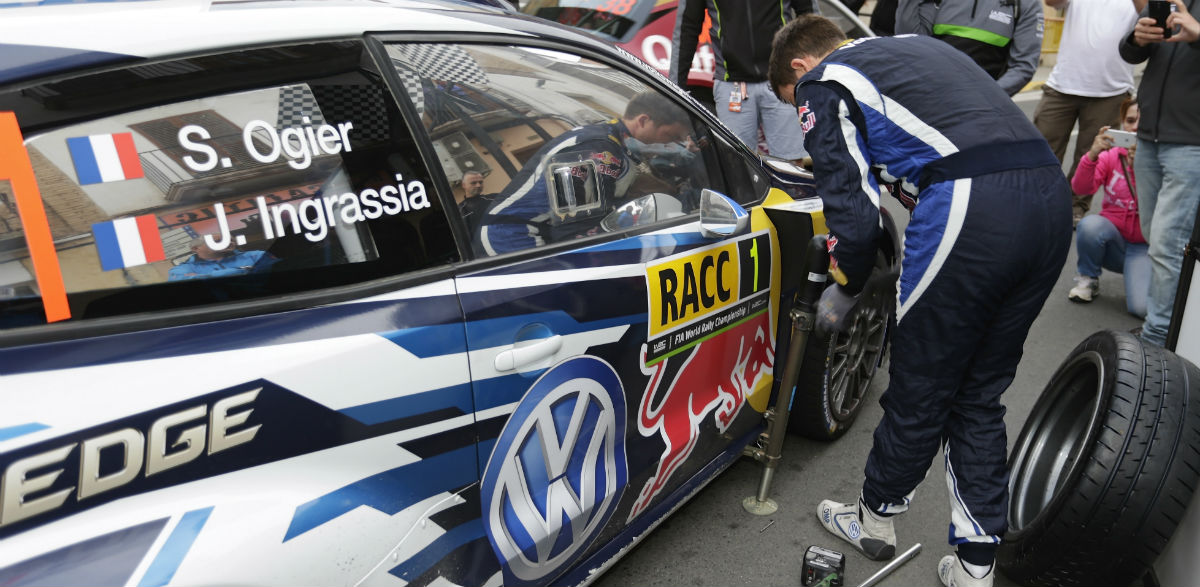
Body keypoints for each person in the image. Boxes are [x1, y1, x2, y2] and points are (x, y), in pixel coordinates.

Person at [768, 16, 1071, 587]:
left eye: (790, 101)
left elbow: (853, 214)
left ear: (799, 68)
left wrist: (848, 283)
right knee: (979, 391)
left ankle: (875, 519)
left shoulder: (822, 82)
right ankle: (977, 562)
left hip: (971, 205)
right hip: (1050, 201)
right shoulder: (911, 48)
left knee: (922, 377)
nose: (798, 110)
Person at [476, 92, 692, 256]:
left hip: (534, 231)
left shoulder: (611, 141)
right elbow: (576, 226)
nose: (670, 141)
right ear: (643, 120)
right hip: (512, 236)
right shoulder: (598, 149)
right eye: (669, 134)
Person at [1119, 0, 1200, 347]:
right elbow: (1129, 53)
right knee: (1157, 238)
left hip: (1191, 141)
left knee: (1168, 242)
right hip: (1150, 136)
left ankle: (1157, 338)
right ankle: (1169, 323)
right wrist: (1137, 39)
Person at [669, 0, 818, 161]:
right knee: (737, 164)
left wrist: (818, 75)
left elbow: (811, 18)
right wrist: (675, 89)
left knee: (791, 164)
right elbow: (687, 27)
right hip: (731, 84)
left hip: (781, 78)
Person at [1034, 0, 1138, 226]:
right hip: (1062, 85)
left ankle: (1075, 208)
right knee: (1043, 149)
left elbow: (1147, 13)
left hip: (1111, 90)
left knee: (1091, 155)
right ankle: (1039, 203)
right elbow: (1052, 2)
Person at [1067, 98, 1149, 317]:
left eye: (1143, 120)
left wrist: (1141, 169)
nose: (1136, 126)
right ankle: (1088, 278)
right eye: (1130, 120)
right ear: (1122, 124)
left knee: (1140, 309)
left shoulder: (1161, 158)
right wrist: (1092, 156)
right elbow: (1081, 187)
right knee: (1090, 225)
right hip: (1113, 240)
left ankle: (1145, 277)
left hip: (1146, 247)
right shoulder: (1112, 156)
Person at [896, 0, 1044, 96]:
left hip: (981, 108)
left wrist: (986, 98)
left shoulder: (1026, 3)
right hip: (927, 95)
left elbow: (1023, 66)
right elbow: (910, 43)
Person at [168, 237, 277, 281]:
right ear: (196, 248)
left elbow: (278, 270)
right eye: (217, 240)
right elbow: (180, 282)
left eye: (229, 239)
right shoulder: (182, 269)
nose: (228, 243)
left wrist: (203, 277)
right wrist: (243, 270)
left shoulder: (255, 255)